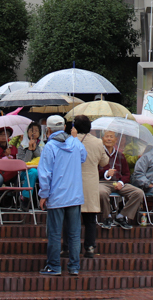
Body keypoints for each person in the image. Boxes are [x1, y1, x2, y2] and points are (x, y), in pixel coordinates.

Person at [37, 115, 86, 277]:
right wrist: (74, 138)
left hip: (56, 196)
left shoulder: (49, 147)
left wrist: (43, 195)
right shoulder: (75, 142)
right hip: (75, 195)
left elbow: (45, 174)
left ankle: (54, 265)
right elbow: (83, 157)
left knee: (55, 233)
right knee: (74, 234)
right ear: (65, 127)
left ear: (48, 130)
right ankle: (74, 266)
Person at [71, 115, 109, 258]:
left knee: (72, 218)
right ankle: (90, 247)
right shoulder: (98, 142)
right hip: (91, 183)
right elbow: (104, 162)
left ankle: (69, 247)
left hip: (74, 182)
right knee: (90, 219)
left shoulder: (71, 141)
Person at [98, 129, 145, 230]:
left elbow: (126, 174)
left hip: (117, 183)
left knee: (138, 193)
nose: (109, 139)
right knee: (101, 192)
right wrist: (106, 173)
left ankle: (121, 216)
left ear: (116, 140)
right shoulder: (99, 153)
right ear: (102, 139)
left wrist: (121, 182)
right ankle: (107, 217)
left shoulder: (120, 155)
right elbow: (93, 172)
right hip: (102, 182)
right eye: (107, 136)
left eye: (111, 137)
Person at [15, 121, 44, 202]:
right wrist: (29, 150)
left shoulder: (43, 146)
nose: (33, 133)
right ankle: (25, 198)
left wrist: (34, 149)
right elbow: (22, 163)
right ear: (27, 132)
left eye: (36, 130)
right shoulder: (22, 146)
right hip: (24, 172)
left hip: (41, 170)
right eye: (31, 130)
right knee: (33, 172)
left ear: (40, 133)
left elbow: (41, 159)